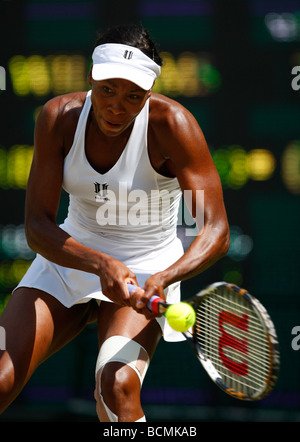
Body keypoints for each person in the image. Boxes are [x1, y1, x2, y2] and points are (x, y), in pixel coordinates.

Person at [0, 24, 230, 422]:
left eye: (133, 96)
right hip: (69, 259)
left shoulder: (173, 126)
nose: (117, 107)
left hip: (148, 268)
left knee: (117, 388)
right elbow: (37, 226)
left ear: (149, 94)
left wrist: (165, 275)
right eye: (107, 89)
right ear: (91, 78)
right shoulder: (59, 118)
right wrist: (100, 263)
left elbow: (214, 228)